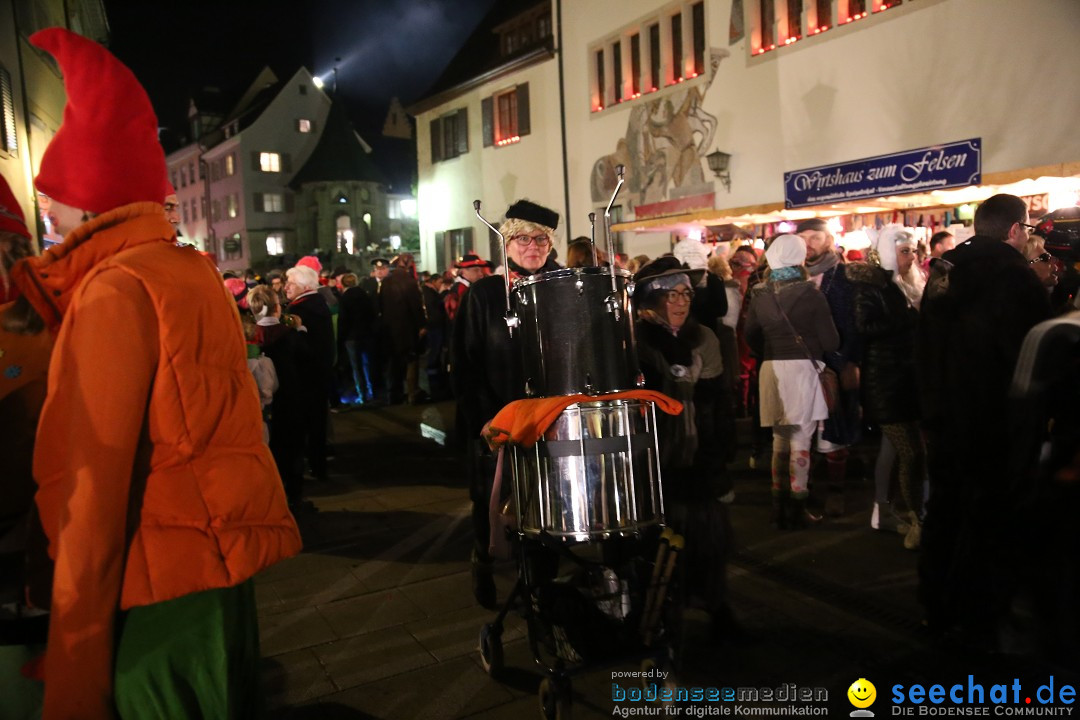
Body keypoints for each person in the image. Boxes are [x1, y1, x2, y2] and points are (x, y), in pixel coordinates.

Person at [6, 29, 301, 717]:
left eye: (54, 192)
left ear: (89, 194)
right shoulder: (185, 270)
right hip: (217, 572)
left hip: (157, 588)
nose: (46, 209)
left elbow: (92, 489)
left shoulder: (114, 289)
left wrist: (75, 665)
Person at [917, 193, 1052, 647]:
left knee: (944, 511)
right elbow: (1027, 357)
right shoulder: (1016, 278)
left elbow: (925, 347)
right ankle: (979, 615)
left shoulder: (943, 271)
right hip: (991, 418)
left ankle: (935, 607)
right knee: (989, 516)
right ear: (1015, 229)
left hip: (943, 414)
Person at [451, 199, 561, 608]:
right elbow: (465, 362)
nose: (532, 246)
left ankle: (541, 582)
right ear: (506, 242)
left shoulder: (562, 287)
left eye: (541, 239)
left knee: (547, 502)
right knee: (492, 501)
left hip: (549, 420)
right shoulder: (483, 295)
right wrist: (484, 418)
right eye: (522, 238)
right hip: (496, 417)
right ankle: (483, 558)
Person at [634, 256, 733, 637]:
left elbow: (717, 402)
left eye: (686, 294)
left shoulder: (704, 338)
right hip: (654, 461)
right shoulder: (635, 341)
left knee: (710, 538)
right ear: (649, 300)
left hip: (697, 457)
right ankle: (659, 620)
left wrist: (719, 457)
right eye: (671, 294)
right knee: (658, 548)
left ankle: (716, 606)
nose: (681, 302)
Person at [745, 234, 840, 529]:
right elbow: (830, 339)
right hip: (802, 371)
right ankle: (798, 505)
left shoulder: (760, 293)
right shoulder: (811, 294)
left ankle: (777, 507)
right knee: (801, 441)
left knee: (779, 439)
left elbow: (751, 336)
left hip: (772, 369)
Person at [847, 226, 926, 547]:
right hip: (886, 381)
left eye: (913, 251)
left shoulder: (908, 283)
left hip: (907, 378)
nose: (912, 257)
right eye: (905, 251)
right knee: (910, 451)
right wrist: (910, 317)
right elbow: (865, 327)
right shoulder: (873, 285)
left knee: (897, 450)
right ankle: (916, 519)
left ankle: (891, 510)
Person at [796, 218, 860, 517]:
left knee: (833, 431)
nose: (809, 243)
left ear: (829, 239)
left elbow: (854, 322)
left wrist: (849, 360)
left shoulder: (844, 275)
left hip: (836, 361)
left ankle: (836, 491)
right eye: (803, 237)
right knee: (802, 433)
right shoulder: (792, 276)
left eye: (815, 237)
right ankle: (805, 492)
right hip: (800, 366)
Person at [248, 285, 309, 508]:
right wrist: (301, 330)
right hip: (289, 398)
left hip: (261, 404)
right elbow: (306, 360)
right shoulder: (290, 335)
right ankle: (294, 495)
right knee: (292, 449)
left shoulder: (250, 336)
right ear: (277, 308)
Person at [286, 263, 334, 481]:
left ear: (304, 286)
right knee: (317, 422)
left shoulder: (301, 309)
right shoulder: (317, 303)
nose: (286, 287)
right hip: (319, 372)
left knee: (308, 423)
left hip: (306, 375)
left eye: (291, 283)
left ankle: (314, 467)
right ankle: (318, 464)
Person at [381, 252, 427, 404]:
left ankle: (393, 394)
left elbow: (381, 305)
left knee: (393, 362)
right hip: (407, 328)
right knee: (411, 360)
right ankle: (412, 393)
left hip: (390, 328)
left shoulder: (386, 282)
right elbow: (416, 306)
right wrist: (421, 325)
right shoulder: (409, 281)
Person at [337, 272, 378, 404]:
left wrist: (341, 337)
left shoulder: (345, 298)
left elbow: (343, 320)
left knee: (356, 367)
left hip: (351, 337)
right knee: (368, 364)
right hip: (366, 334)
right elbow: (372, 314)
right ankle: (372, 391)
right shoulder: (364, 295)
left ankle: (362, 395)